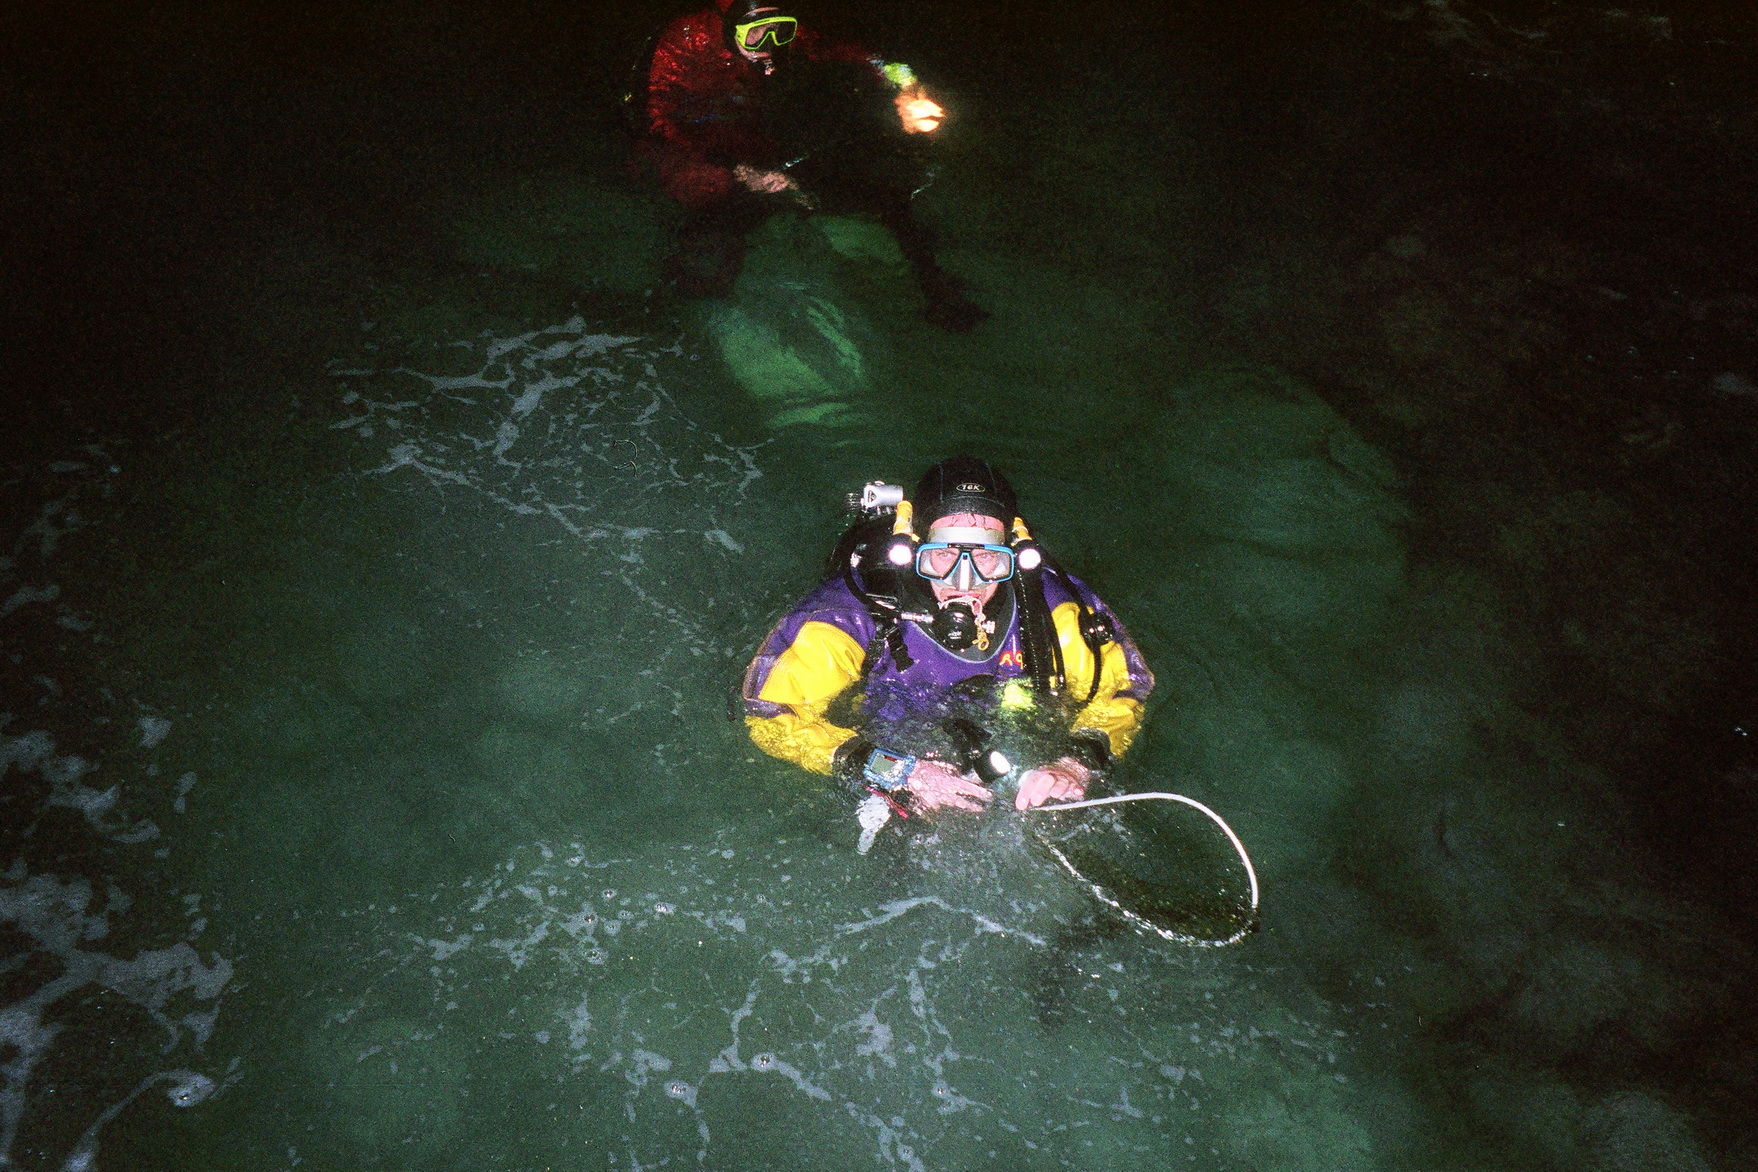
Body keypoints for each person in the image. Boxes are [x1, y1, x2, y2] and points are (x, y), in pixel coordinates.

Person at [741, 457, 1155, 820]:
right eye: (943, 556)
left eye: (987, 557)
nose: (965, 581)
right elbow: (769, 713)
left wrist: (1073, 766)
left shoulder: (1052, 610)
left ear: (1013, 556)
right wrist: (895, 771)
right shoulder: (848, 615)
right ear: (914, 550)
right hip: (886, 733)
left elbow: (1125, 688)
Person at [631, 0, 989, 332]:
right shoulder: (683, 41)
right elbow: (654, 120)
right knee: (712, 190)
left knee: (865, 168)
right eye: (755, 35)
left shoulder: (775, 33)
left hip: (751, 128)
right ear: (729, 27)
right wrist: (735, 167)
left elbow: (859, 55)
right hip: (691, 141)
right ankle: (690, 299)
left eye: (780, 31)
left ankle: (929, 279)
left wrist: (908, 84)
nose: (770, 44)